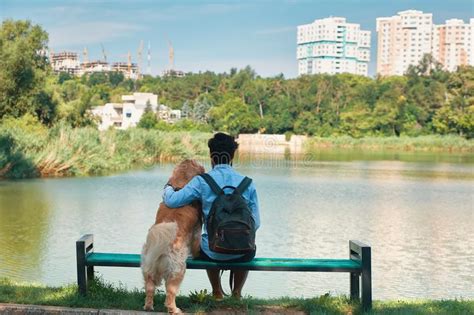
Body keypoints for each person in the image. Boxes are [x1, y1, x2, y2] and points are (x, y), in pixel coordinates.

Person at [163, 132, 260, 299]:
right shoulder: (248, 183)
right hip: (244, 252)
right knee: (248, 244)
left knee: (206, 241)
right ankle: (236, 293)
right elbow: (256, 223)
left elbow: (172, 201)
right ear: (232, 156)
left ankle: (216, 291)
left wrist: (169, 186)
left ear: (211, 156)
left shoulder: (202, 181)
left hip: (212, 251)